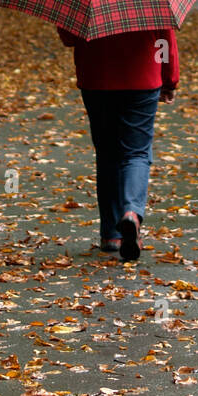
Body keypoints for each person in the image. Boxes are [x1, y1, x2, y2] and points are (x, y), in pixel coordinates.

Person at [56, 25, 179, 261]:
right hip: (143, 77)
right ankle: (131, 212)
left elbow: (69, 38)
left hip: (97, 77)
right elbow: (165, 41)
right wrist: (169, 80)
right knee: (137, 153)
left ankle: (111, 235)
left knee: (107, 153)